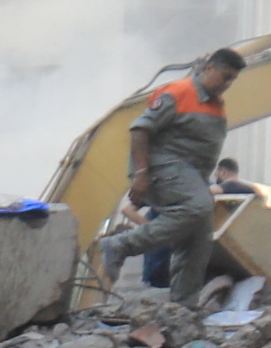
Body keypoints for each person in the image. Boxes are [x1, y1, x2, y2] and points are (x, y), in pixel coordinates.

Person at [99, 46, 244, 305]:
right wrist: (141, 175)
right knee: (198, 206)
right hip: (162, 167)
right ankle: (120, 245)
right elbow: (139, 130)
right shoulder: (178, 93)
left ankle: (183, 308)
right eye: (225, 76)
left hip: (192, 174)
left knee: (199, 238)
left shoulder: (215, 103)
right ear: (210, 68)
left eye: (233, 79)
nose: (228, 84)